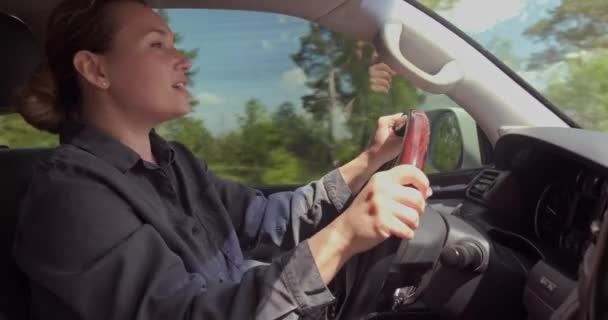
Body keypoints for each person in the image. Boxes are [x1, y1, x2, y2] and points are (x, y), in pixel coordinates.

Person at [12, 0, 432, 319]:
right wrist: (341, 238)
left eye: (173, 43)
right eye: (156, 44)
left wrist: (371, 158)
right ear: (95, 70)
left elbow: (269, 219)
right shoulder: (69, 197)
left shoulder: (177, 163)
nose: (184, 60)